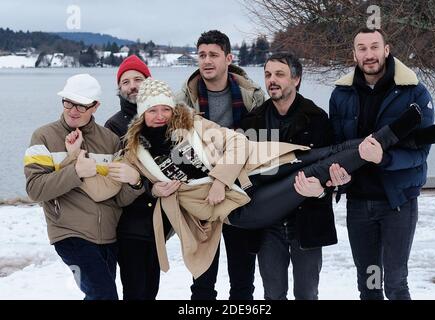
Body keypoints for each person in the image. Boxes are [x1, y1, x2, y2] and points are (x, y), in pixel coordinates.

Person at [98, 77, 435, 282]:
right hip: (240, 208)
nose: (160, 115)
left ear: (172, 109)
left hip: (250, 173)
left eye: (164, 108)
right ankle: (397, 136)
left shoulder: (193, 125)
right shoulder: (134, 154)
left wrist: (219, 177)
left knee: (319, 152)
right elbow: (109, 184)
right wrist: (146, 186)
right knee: (312, 173)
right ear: (142, 114)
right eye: (152, 110)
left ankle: (401, 137)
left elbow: (236, 141)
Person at [327, 28, 435, 300]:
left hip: (397, 202)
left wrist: (384, 158)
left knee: (396, 284)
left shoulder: (414, 92)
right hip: (359, 204)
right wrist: (338, 174)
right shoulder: (341, 95)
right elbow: (337, 148)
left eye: (374, 47)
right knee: (369, 284)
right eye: (362, 49)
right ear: (354, 55)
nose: (369, 54)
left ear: (386, 50)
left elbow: (420, 154)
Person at [23, 74, 144, 300]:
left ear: (95, 106)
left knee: (101, 295)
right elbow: (35, 189)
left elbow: (118, 198)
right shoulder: (44, 136)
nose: (73, 110)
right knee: (104, 296)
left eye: (81, 104)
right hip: (70, 234)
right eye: (68, 102)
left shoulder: (110, 140)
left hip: (108, 236)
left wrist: (135, 183)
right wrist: (75, 172)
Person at [240, 52, 337, 300]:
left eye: (280, 74)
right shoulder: (252, 121)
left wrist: (323, 189)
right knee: (273, 295)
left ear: (296, 79)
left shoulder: (317, 119)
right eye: (268, 75)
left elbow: (330, 167)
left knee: (306, 294)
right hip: (268, 224)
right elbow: (239, 170)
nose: (272, 80)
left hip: (307, 220)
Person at [177, 30, 265, 300]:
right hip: (203, 194)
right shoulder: (183, 101)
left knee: (243, 282)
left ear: (228, 58)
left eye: (213, 55)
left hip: (241, 193)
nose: (207, 61)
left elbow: (257, 146)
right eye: (202, 55)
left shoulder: (253, 96)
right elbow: (180, 151)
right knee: (202, 283)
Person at [104, 55, 172, 300]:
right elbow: (115, 176)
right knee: (135, 290)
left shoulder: (164, 119)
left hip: (159, 223)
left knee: (151, 289)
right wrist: (145, 185)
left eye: (138, 79)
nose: (132, 85)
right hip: (129, 223)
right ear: (119, 89)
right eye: (126, 82)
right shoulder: (113, 127)